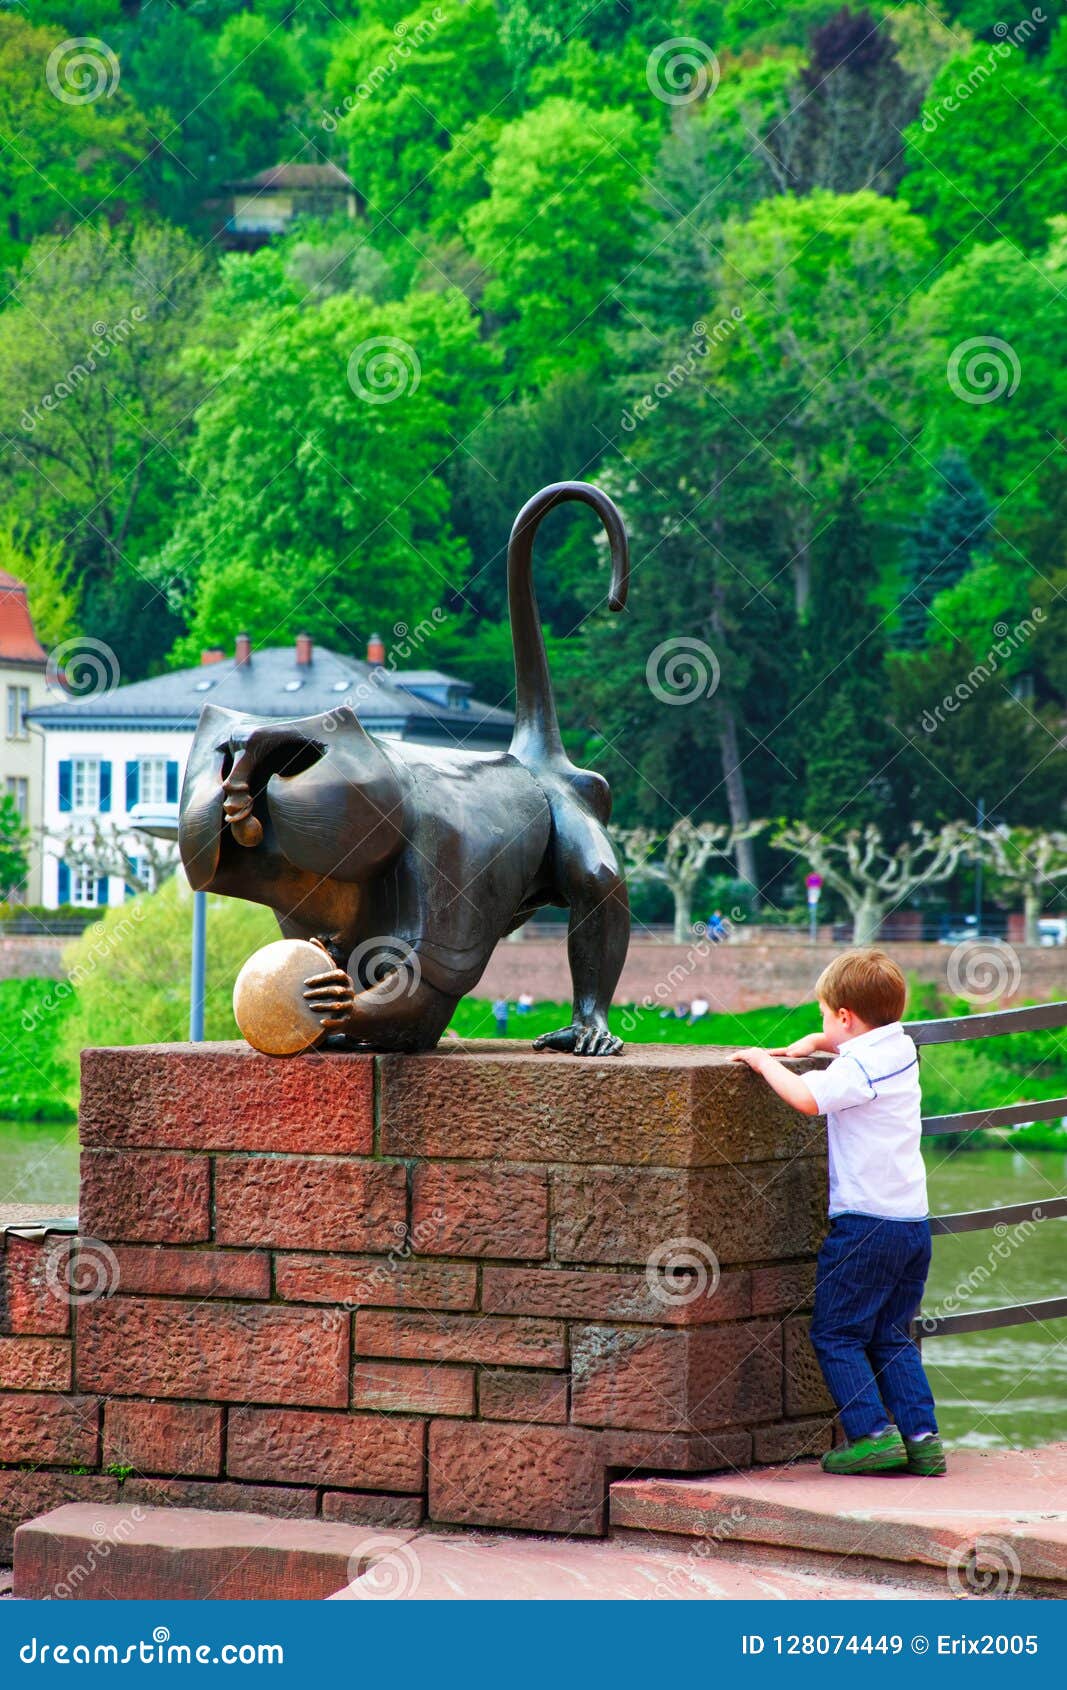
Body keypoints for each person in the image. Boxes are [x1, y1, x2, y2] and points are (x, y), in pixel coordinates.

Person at [730, 949, 945, 1478]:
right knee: (891, 1334)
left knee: (837, 1332)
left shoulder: (857, 1067)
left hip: (865, 1224)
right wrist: (818, 1042)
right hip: (911, 1223)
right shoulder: (900, 1046)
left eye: (826, 1015)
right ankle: (922, 1438)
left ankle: (872, 1436)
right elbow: (851, 1040)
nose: (824, 1025)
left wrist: (764, 1061)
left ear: (846, 1015)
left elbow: (806, 1097)